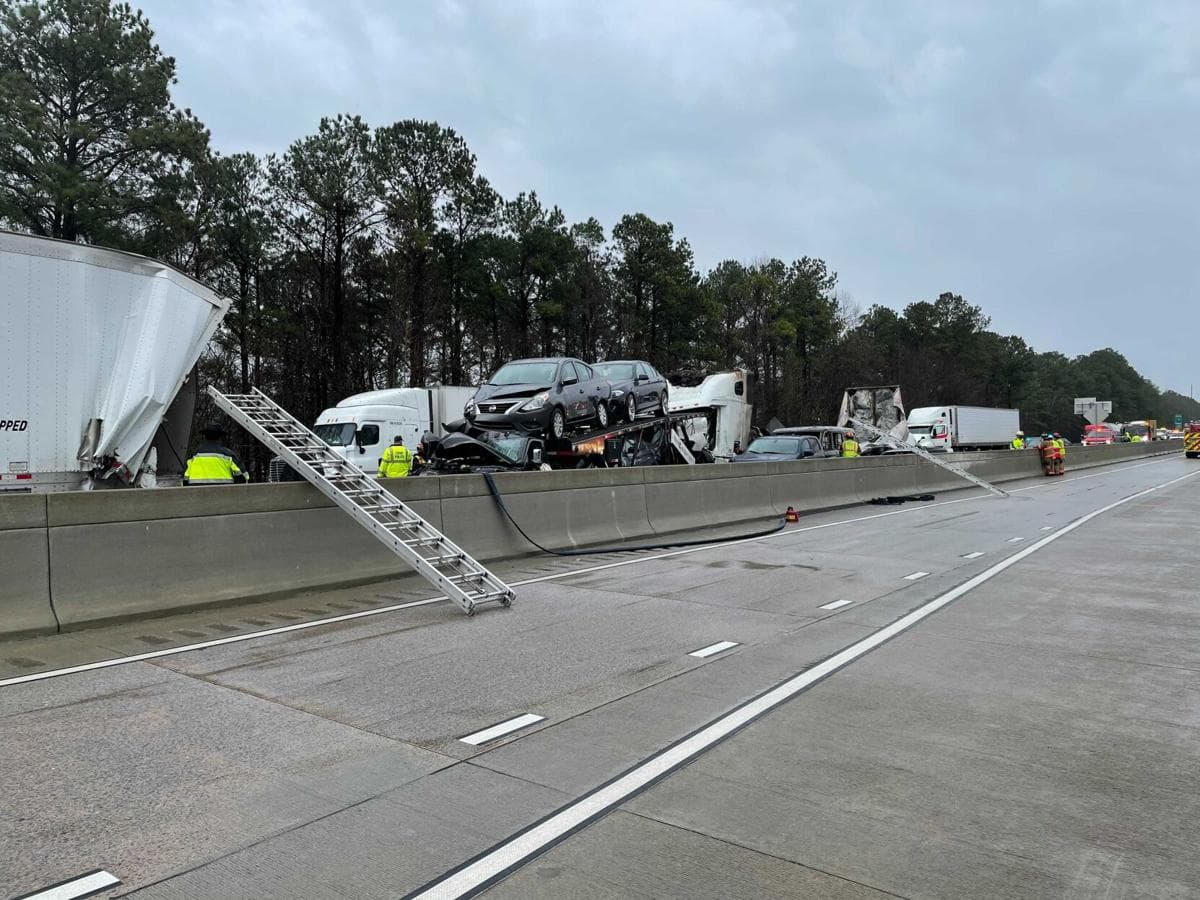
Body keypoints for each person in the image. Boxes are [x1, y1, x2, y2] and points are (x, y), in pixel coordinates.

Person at [184, 423, 248, 485]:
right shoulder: (228, 454)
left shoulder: (194, 454)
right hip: (223, 492)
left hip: (196, 492)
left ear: (205, 436)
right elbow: (244, 476)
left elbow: (185, 478)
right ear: (220, 437)